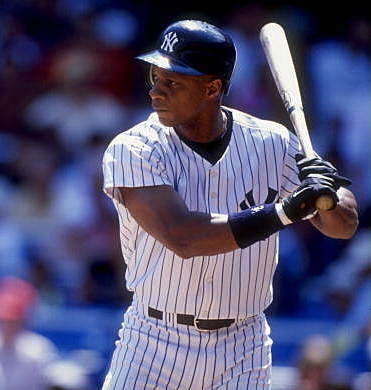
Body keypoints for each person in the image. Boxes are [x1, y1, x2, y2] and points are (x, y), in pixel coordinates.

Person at [100, 20, 359, 389]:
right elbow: (184, 237)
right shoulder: (134, 148)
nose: (157, 92)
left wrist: (328, 195)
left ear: (213, 87)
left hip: (243, 343)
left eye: (172, 81)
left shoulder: (272, 142)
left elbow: (344, 225)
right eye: (154, 78)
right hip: (153, 340)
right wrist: (288, 211)